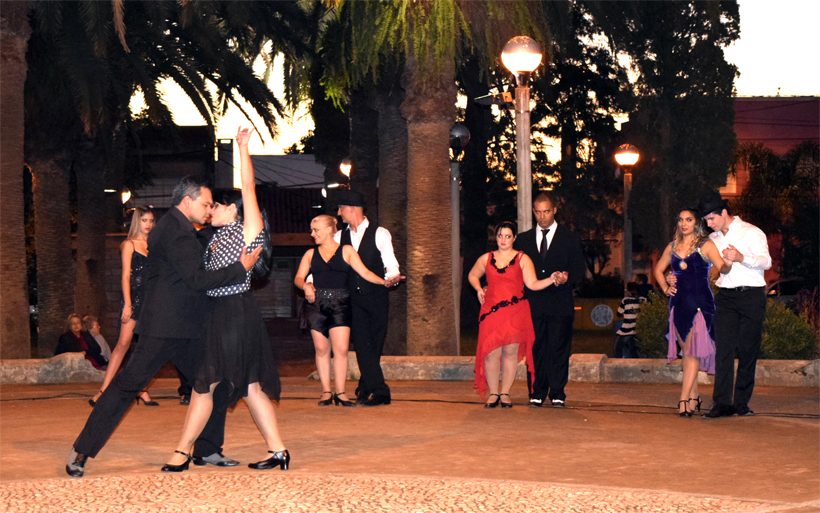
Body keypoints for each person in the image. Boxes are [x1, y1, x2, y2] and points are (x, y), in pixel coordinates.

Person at [65, 175, 261, 478]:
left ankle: (207, 449)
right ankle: (81, 451)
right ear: (187, 200)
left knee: (216, 384)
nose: (209, 210)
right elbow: (197, 279)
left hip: (189, 327)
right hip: (165, 326)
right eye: (206, 204)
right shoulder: (175, 232)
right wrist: (241, 268)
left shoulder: (178, 227)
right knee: (127, 385)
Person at [163, 128, 288, 472]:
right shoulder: (214, 238)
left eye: (216, 205)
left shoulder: (247, 230)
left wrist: (243, 148)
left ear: (233, 209)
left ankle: (182, 451)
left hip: (235, 312)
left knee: (205, 384)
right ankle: (279, 451)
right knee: (249, 387)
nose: (211, 209)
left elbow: (248, 188)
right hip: (218, 313)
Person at [294, 214, 401, 407]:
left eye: (316, 230)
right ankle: (326, 392)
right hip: (316, 306)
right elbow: (299, 278)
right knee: (321, 349)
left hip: (341, 305)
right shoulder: (310, 253)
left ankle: (341, 393)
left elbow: (365, 272)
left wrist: (384, 282)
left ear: (329, 229)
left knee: (341, 350)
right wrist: (306, 286)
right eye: (312, 230)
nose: (312, 234)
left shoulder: (347, 250)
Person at [467, 221, 563, 408]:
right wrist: (478, 288)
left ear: (514, 238)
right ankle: (493, 393)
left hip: (515, 311)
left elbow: (532, 284)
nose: (503, 240)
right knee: (491, 353)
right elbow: (472, 275)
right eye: (500, 236)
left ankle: (505, 393)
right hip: (491, 311)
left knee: (510, 353)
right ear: (496, 237)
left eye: (508, 236)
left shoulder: (522, 259)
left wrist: (551, 279)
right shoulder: (486, 258)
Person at [700, 193, 771, 418]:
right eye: (706, 220)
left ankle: (741, 404)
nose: (709, 224)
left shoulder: (752, 232)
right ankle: (722, 403)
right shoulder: (714, 239)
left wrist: (741, 257)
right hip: (726, 297)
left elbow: (766, 261)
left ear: (723, 213)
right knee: (724, 350)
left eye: (711, 218)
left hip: (751, 296)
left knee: (748, 350)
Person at [654, 208, 730, 417]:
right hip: (678, 305)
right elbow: (658, 270)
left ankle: (683, 399)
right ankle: (695, 397)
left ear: (696, 223)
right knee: (687, 354)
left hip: (701, 305)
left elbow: (722, 267)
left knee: (691, 352)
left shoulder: (705, 244)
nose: (684, 224)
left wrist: (728, 263)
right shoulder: (672, 246)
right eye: (680, 220)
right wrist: (665, 287)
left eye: (688, 220)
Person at [514, 192, 585, 408]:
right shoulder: (523, 239)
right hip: (532, 304)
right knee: (535, 348)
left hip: (560, 303)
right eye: (538, 212)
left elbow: (579, 270)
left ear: (554, 210)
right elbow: (514, 271)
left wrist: (567, 277)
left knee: (559, 348)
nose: (542, 216)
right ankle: (536, 391)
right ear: (533, 212)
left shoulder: (569, 238)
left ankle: (557, 392)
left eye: (546, 211)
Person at [336, 190, 401, 406]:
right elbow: (326, 261)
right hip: (353, 300)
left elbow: (390, 262)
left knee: (374, 345)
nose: (339, 213)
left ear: (352, 209)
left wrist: (392, 278)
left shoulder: (380, 233)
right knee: (363, 343)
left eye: (341, 208)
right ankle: (381, 391)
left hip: (377, 297)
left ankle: (364, 388)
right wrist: (310, 280)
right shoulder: (338, 236)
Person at [89, 207, 158, 407]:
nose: (148, 224)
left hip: (151, 302)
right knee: (123, 344)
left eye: (151, 220)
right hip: (133, 300)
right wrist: (127, 304)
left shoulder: (155, 245)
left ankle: (142, 389)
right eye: (144, 220)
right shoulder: (128, 244)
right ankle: (103, 391)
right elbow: (126, 276)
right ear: (137, 221)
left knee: (148, 349)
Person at [613, 282, 645, 358]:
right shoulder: (643, 299)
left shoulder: (625, 300)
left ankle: (617, 361)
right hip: (638, 328)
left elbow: (618, 313)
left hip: (627, 330)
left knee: (617, 349)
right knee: (633, 348)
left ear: (629, 291)